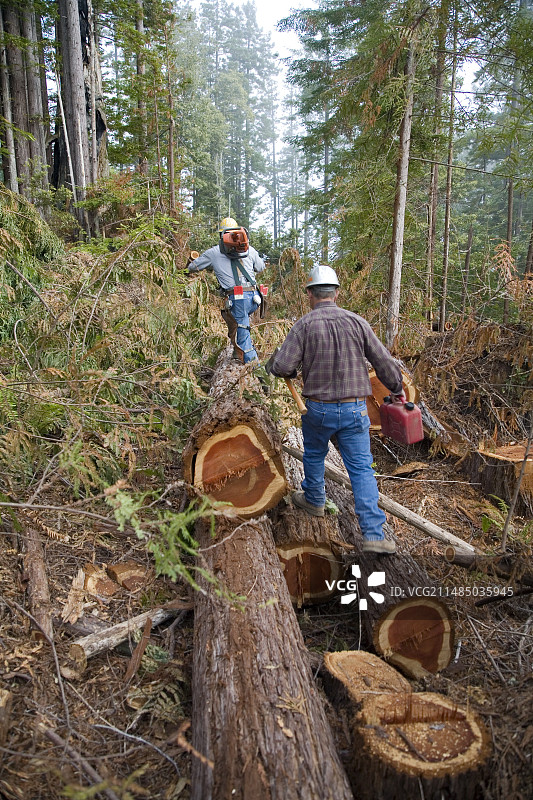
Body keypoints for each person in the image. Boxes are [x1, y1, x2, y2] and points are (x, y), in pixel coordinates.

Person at [266, 264, 404, 554]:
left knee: (314, 454)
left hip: (317, 409)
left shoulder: (304, 325)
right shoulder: (358, 323)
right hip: (355, 410)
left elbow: (283, 367)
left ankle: (315, 498)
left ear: (310, 295)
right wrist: (397, 388)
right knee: (362, 469)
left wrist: (276, 365)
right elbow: (384, 363)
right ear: (336, 292)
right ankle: (374, 535)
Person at [188, 218, 266, 363]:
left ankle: (255, 368)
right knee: (237, 323)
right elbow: (261, 267)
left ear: (221, 235)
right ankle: (238, 352)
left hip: (237, 299)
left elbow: (193, 267)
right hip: (254, 297)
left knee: (241, 331)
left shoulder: (214, 252)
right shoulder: (248, 249)